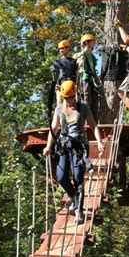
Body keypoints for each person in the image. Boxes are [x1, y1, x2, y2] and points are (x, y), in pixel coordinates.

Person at [42, 80, 104, 223]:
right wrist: (48, 146)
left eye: (70, 97)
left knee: (77, 177)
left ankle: (79, 210)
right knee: (61, 176)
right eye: (66, 98)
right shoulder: (59, 109)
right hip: (64, 145)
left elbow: (93, 126)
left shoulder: (83, 108)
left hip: (80, 146)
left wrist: (99, 141)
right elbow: (54, 128)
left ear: (75, 95)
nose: (68, 100)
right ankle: (75, 199)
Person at [74, 34, 101, 122]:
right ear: (87, 43)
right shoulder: (81, 54)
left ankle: (94, 121)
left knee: (94, 102)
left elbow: (93, 70)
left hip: (92, 80)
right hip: (84, 80)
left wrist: (98, 80)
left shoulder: (92, 56)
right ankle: (84, 122)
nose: (95, 43)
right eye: (93, 41)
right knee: (86, 100)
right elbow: (78, 66)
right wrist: (82, 57)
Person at [52, 39, 77, 104]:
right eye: (60, 48)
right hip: (61, 87)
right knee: (60, 105)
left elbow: (77, 74)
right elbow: (55, 76)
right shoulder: (57, 62)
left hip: (72, 87)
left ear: (68, 48)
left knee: (73, 106)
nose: (61, 50)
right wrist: (56, 85)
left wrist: (77, 86)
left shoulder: (74, 61)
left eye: (63, 48)